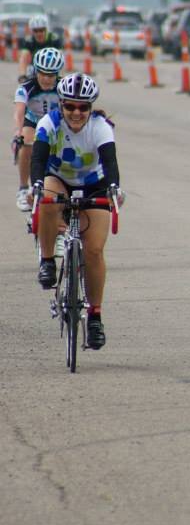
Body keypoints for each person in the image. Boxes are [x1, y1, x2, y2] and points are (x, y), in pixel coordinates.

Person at [31, 73, 120, 351]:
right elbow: (38, 158)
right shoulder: (49, 123)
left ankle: (95, 317)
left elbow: (110, 162)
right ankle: (47, 260)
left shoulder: (101, 127)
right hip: (59, 178)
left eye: (83, 107)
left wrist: (114, 188)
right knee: (47, 196)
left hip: (94, 184)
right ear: (61, 104)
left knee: (93, 251)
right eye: (70, 106)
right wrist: (34, 182)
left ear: (91, 108)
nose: (76, 113)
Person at [13, 47, 63, 212]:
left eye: (51, 75)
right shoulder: (26, 88)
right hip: (34, 122)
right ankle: (22, 188)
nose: (47, 79)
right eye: (43, 74)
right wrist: (18, 132)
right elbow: (19, 113)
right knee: (27, 142)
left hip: (55, 124)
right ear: (36, 71)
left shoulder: (63, 88)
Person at [19, 14, 63, 80]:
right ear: (32, 31)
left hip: (52, 67)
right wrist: (22, 75)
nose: (39, 33)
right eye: (35, 31)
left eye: (41, 30)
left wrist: (60, 75)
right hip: (35, 68)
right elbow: (23, 58)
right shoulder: (28, 40)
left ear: (46, 30)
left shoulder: (54, 39)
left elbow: (60, 58)